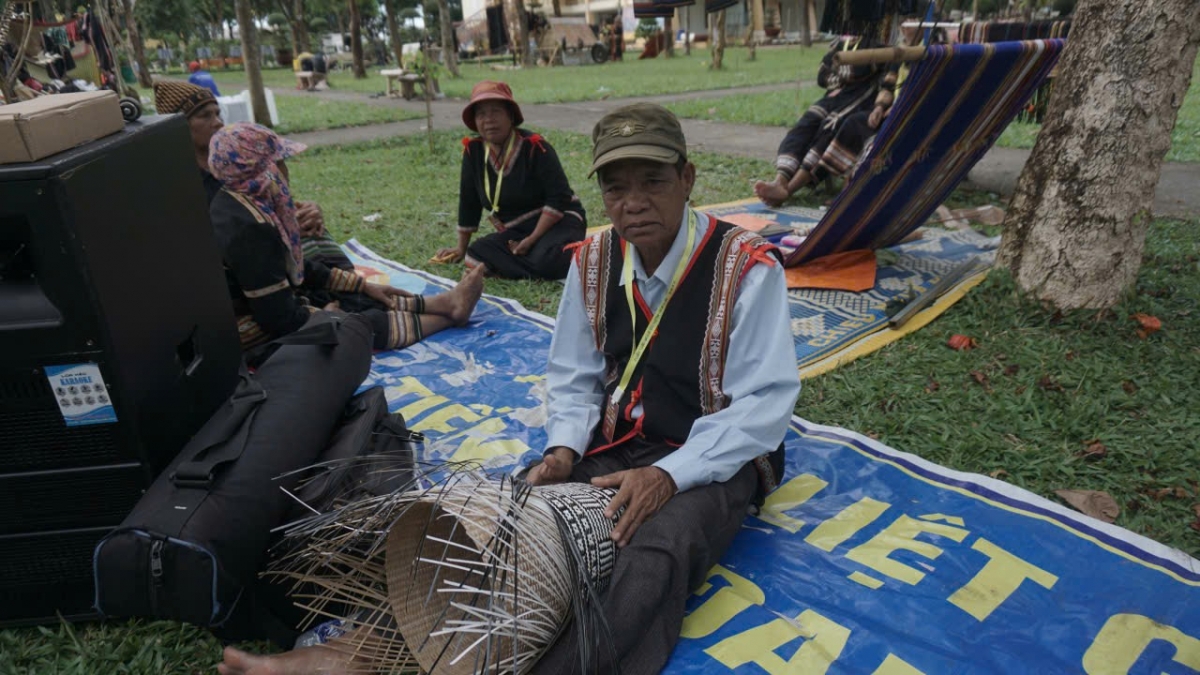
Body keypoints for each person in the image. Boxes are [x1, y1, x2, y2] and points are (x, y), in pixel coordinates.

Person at [216, 103, 800, 675]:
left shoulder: (745, 268)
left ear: (688, 179)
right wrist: (563, 449)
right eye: (616, 188)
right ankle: (361, 651)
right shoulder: (594, 259)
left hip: (714, 452)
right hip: (620, 433)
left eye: (654, 181)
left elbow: (762, 404)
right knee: (503, 519)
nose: (634, 203)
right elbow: (574, 372)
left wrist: (670, 475)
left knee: (653, 552)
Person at [207, 123, 485, 361]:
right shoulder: (249, 228)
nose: (285, 169)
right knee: (349, 322)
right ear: (262, 170)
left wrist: (362, 284)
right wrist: (324, 317)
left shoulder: (240, 203)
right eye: (280, 162)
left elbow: (297, 270)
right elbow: (278, 318)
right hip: (251, 335)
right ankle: (448, 316)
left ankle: (444, 304)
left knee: (347, 294)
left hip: (266, 307)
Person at [153, 81, 344, 275]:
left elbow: (273, 203)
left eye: (217, 113)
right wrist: (278, 232)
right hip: (240, 266)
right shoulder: (178, 182)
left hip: (271, 242)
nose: (218, 122)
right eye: (205, 116)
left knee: (316, 239)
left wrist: (306, 212)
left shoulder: (240, 160)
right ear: (180, 126)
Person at [434, 81, 587, 280]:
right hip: (517, 230)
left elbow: (558, 198)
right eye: (481, 114)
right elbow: (469, 202)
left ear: (511, 116)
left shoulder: (536, 147)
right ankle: (530, 264)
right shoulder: (474, 151)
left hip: (558, 220)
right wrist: (461, 248)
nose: (488, 120)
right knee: (475, 254)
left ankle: (521, 264)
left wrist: (531, 240)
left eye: (496, 112)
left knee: (547, 258)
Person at [753, 34, 884, 206]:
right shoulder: (842, 42)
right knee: (805, 124)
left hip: (862, 97)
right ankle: (780, 180)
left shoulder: (875, 44)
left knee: (830, 125)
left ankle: (789, 189)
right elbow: (822, 76)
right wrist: (846, 75)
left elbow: (862, 71)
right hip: (836, 96)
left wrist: (841, 72)